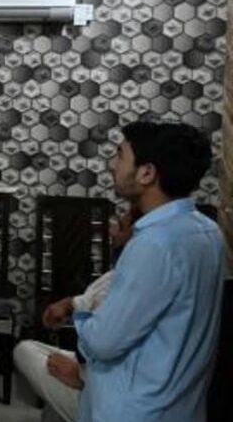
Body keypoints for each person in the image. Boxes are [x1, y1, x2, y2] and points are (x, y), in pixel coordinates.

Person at [73, 121, 224, 422]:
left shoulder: (155, 244)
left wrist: (84, 316)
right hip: (180, 405)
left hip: (134, 409)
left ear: (146, 173)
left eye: (120, 155)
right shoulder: (208, 231)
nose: (112, 165)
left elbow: (103, 341)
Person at [14, 208, 140, 422]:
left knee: (29, 356)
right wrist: (66, 304)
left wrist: (82, 378)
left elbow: (114, 350)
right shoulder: (122, 272)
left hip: (107, 394)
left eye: (119, 227)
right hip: (94, 368)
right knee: (27, 349)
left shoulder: (139, 287)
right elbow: (88, 299)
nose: (111, 232)